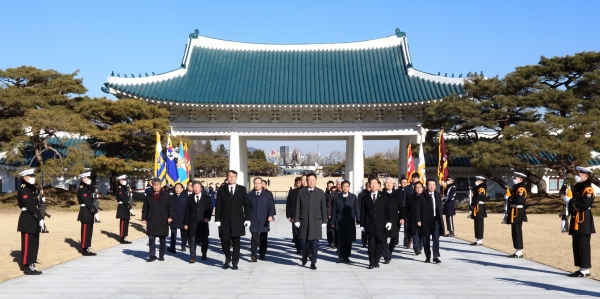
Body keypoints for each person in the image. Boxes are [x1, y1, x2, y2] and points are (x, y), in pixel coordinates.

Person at [215, 170, 250, 270]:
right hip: (224, 219)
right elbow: (218, 205)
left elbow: (246, 205)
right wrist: (217, 219)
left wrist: (247, 218)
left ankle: (235, 261)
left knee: (236, 241)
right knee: (225, 240)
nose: (231, 178)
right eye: (229, 176)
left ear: (236, 178)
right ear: (227, 177)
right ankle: (227, 258)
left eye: (233, 176)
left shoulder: (242, 189)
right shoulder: (221, 189)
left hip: (238, 220)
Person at [566, 166, 596, 277]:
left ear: (585, 176)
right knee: (577, 243)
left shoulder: (588, 189)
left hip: (584, 218)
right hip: (575, 218)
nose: (577, 176)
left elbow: (585, 204)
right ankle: (581, 268)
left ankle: (584, 269)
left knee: (583, 244)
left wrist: (571, 200)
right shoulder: (577, 187)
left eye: (579, 174)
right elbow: (572, 202)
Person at [295, 173, 328, 270]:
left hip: (316, 222)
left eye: (313, 180)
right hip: (304, 221)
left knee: (315, 244)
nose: (311, 182)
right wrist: (296, 219)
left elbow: (323, 208)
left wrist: (324, 221)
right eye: (309, 180)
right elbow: (298, 207)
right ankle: (304, 256)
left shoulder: (320, 192)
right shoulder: (301, 192)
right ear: (306, 181)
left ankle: (313, 262)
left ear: (316, 181)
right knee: (304, 243)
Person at [361, 177, 391, 269]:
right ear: (369, 185)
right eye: (371, 183)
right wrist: (362, 225)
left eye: (375, 183)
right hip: (369, 225)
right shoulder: (365, 197)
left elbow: (388, 210)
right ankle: (371, 262)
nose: (373, 185)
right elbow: (363, 211)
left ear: (378, 185)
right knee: (371, 244)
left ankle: (377, 260)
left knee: (379, 244)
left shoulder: (384, 196)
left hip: (381, 225)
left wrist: (389, 221)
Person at [17, 169, 43, 275]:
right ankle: (26, 265)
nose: (33, 178)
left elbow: (36, 202)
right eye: (31, 176)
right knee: (28, 243)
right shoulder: (23, 189)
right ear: (25, 177)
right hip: (28, 218)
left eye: (33, 176)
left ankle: (32, 263)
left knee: (34, 242)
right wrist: (39, 218)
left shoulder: (31, 188)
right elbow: (30, 205)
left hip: (34, 218)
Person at [142, 178, 174, 262]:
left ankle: (161, 255)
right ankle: (152, 255)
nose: (155, 187)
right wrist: (144, 218)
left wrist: (170, 216)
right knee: (151, 238)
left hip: (163, 220)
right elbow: (145, 208)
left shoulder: (166, 195)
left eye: (157, 185)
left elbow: (171, 207)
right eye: (154, 185)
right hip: (152, 220)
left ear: (160, 185)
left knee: (162, 239)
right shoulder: (148, 196)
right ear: (152, 185)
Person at [184, 181, 213, 263]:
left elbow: (210, 209)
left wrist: (207, 218)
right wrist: (186, 223)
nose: (196, 188)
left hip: (203, 222)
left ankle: (204, 253)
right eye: (194, 187)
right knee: (192, 240)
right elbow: (187, 211)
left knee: (204, 240)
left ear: (201, 188)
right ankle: (193, 256)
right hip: (192, 222)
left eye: (197, 187)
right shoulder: (190, 198)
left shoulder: (206, 198)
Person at [331, 180, 359, 263]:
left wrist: (358, 219)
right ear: (341, 187)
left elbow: (356, 208)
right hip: (339, 221)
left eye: (347, 186)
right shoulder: (337, 197)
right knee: (340, 240)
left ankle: (347, 256)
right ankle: (341, 256)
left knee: (348, 240)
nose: (345, 188)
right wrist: (332, 222)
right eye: (344, 186)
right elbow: (334, 210)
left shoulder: (353, 197)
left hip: (349, 221)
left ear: (349, 187)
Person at [247, 177, 275, 262]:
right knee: (254, 237)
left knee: (263, 238)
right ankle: (254, 254)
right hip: (253, 219)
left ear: (262, 184)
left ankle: (262, 254)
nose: (257, 185)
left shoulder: (267, 194)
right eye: (255, 183)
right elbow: (247, 208)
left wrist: (270, 215)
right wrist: (246, 218)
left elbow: (271, 206)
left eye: (259, 183)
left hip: (264, 219)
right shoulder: (249, 195)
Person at [421, 179, 445, 263]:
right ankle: (428, 256)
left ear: (435, 186)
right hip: (426, 221)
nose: (431, 186)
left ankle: (435, 256)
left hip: (436, 220)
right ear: (426, 186)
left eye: (433, 185)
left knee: (436, 239)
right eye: (430, 185)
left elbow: (440, 208)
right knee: (426, 239)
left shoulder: (438, 195)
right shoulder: (423, 195)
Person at [382, 177, 405, 264]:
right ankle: (387, 256)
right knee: (383, 238)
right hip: (383, 220)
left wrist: (402, 217)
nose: (389, 184)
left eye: (390, 183)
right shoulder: (381, 195)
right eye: (387, 183)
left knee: (395, 239)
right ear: (384, 184)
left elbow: (402, 207)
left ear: (393, 184)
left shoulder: (397, 195)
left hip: (395, 219)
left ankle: (389, 252)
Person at [506, 172, 528, 258]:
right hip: (513, 210)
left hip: (518, 211)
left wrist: (509, 197)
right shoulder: (515, 188)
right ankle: (517, 250)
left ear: (521, 179)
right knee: (514, 231)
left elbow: (519, 200)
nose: (514, 178)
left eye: (516, 177)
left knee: (517, 231)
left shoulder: (521, 189)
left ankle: (519, 251)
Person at [77, 172, 98, 256]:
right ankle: (84, 249)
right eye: (88, 178)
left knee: (89, 230)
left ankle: (87, 247)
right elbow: (87, 201)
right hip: (85, 210)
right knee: (85, 230)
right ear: (83, 178)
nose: (89, 179)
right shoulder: (82, 189)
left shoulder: (88, 188)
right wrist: (95, 211)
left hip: (89, 210)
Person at [404, 181, 425, 255]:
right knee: (415, 234)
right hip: (413, 219)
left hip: (424, 219)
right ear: (414, 189)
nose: (418, 189)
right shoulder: (411, 197)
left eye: (420, 187)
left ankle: (420, 246)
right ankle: (417, 248)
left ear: (422, 188)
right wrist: (405, 218)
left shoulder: (425, 196)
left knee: (422, 234)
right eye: (416, 187)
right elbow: (407, 208)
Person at [168, 183, 188, 253]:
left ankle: (183, 246)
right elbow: (169, 208)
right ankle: (172, 247)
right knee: (173, 234)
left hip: (183, 218)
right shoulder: (171, 197)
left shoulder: (186, 197)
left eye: (179, 187)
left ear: (182, 189)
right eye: (176, 187)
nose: (177, 189)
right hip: (174, 218)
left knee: (184, 234)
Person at [403, 173, 421, 249]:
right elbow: (404, 199)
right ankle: (408, 240)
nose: (414, 179)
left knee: (417, 230)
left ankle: (417, 246)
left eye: (416, 178)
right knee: (408, 228)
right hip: (410, 211)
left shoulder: (421, 187)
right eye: (413, 178)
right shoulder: (407, 188)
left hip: (419, 212)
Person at [286, 176, 304, 253]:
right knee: (296, 231)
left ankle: (303, 246)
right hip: (294, 214)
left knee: (302, 231)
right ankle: (298, 246)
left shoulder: (305, 191)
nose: (299, 184)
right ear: (295, 184)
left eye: (300, 182)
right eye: (297, 183)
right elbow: (289, 204)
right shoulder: (292, 192)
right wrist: (289, 215)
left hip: (303, 215)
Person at [115, 175, 134, 244]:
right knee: (123, 221)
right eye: (123, 180)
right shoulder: (119, 189)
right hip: (123, 206)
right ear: (120, 181)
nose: (124, 181)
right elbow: (123, 199)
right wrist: (129, 207)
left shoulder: (124, 188)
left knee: (126, 221)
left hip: (125, 205)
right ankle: (122, 237)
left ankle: (124, 236)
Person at [470, 176, 487, 246]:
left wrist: (472, 206)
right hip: (477, 206)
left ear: (481, 181)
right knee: (476, 223)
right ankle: (477, 239)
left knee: (479, 224)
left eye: (478, 180)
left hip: (479, 207)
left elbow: (478, 198)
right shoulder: (478, 188)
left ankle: (479, 239)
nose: (476, 181)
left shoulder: (481, 188)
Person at [357, 181, 371, 248]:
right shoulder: (362, 194)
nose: (369, 187)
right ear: (366, 187)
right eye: (368, 186)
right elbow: (359, 205)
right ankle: (364, 242)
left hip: (370, 215)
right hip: (363, 214)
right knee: (363, 229)